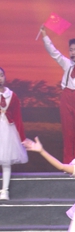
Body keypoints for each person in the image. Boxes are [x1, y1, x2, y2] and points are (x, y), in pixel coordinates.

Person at [39, 26, 75, 162]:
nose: (73, 52)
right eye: (71, 50)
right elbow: (53, 52)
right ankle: (67, 163)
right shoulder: (67, 64)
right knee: (67, 131)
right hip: (66, 97)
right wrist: (44, 35)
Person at [0, 67, 28, 200]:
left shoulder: (12, 95)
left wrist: (22, 138)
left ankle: (4, 191)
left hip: (7, 130)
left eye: (1, 75)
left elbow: (17, 117)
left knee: (6, 161)